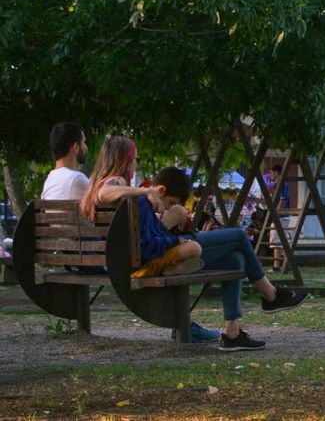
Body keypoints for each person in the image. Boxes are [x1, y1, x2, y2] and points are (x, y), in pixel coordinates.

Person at [80, 136, 310, 351]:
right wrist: (147, 191)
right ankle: (271, 296)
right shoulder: (117, 185)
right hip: (162, 253)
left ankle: (232, 333)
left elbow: (140, 228)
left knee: (236, 259)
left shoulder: (103, 187)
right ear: (126, 160)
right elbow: (105, 192)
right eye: (135, 159)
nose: (136, 166)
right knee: (238, 236)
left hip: (148, 253)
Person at [40, 122, 90, 201]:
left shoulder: (49, 181)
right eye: (84, 142)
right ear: (76, 147)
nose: (86, 148)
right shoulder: (77, 179)